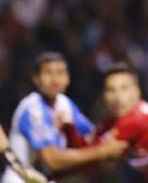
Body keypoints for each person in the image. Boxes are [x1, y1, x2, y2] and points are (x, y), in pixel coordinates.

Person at [1, 52, 128, 183]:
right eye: (48, 73)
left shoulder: (64, 103)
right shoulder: (33, 109)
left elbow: (92, 136)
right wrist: (102, 152)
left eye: (60, 72)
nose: (55, 79)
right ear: (36, 78)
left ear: (68, 78)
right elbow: (52, 161)